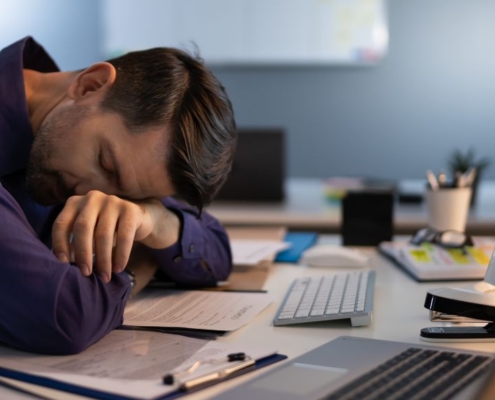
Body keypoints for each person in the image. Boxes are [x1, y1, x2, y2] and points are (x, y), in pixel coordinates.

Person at [0, 37, 236, 354]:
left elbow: (215, 248)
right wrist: (136, 263)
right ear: (90, 86)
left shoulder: (85, 139)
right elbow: (65, 316)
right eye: (106, 164)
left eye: (129, 196)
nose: (93, 197)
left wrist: (151, 219)